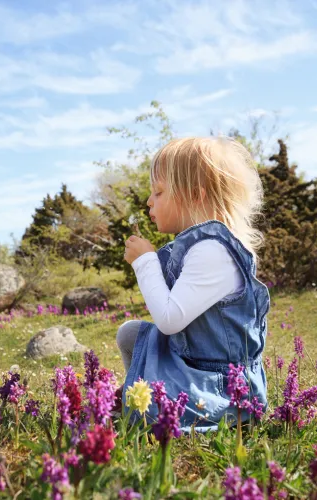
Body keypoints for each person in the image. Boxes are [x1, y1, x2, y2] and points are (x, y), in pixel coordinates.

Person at [114, 136, 270, 433]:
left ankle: (146, 406)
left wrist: (145, 263)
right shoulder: (196, 248)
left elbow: (170, 320)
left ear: (195, 196)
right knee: (131, 334)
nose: (149, 201)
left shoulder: (212, 251)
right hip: (192, 365)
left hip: (221, 388)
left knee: (137, 342)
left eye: (158, 192)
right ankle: (138, 398)